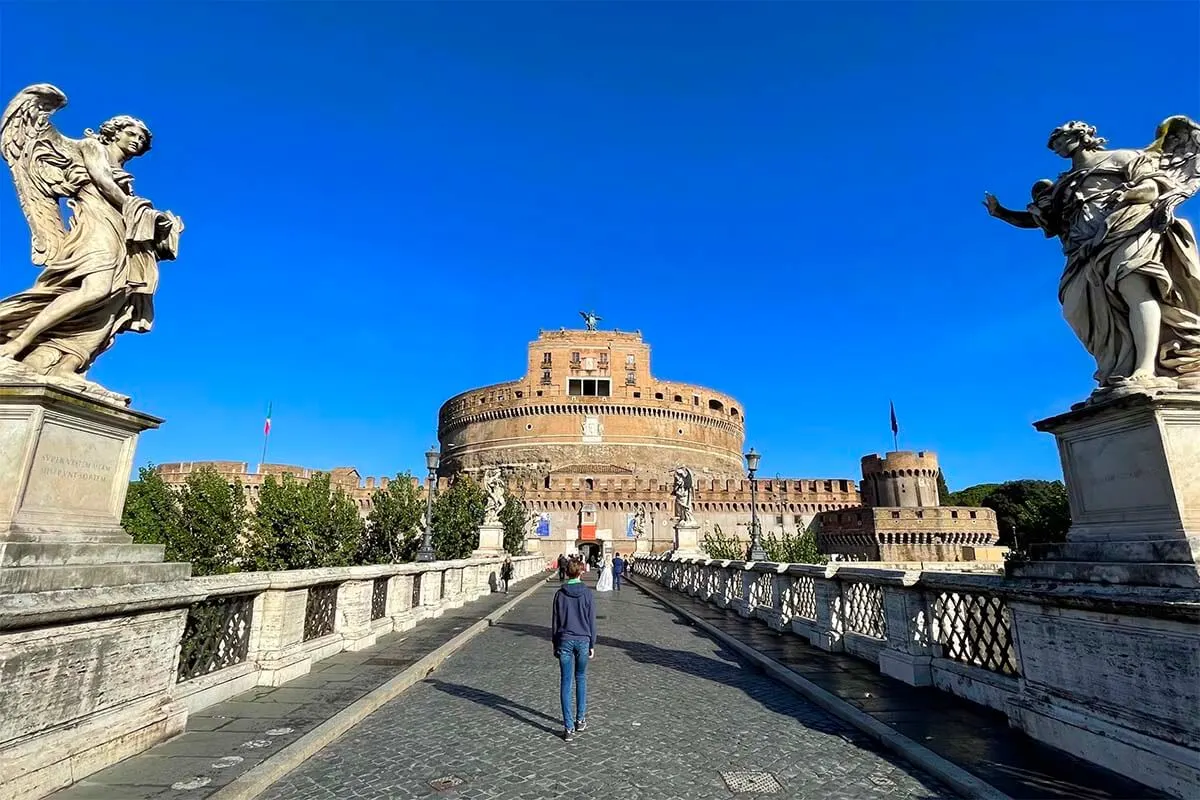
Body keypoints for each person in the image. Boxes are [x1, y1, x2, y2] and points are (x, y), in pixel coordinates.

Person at [552, 559, 595, 742]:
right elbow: (592, 620)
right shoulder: (587, 594)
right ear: (581, 572)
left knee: (566, 683)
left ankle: (568, 728)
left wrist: (555, 644)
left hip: (565, 641)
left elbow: (555, 622)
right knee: (581, 678)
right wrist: (592, 643)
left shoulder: (560, 595)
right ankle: (580, 719)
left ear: (567, 572)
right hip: (583, 640)